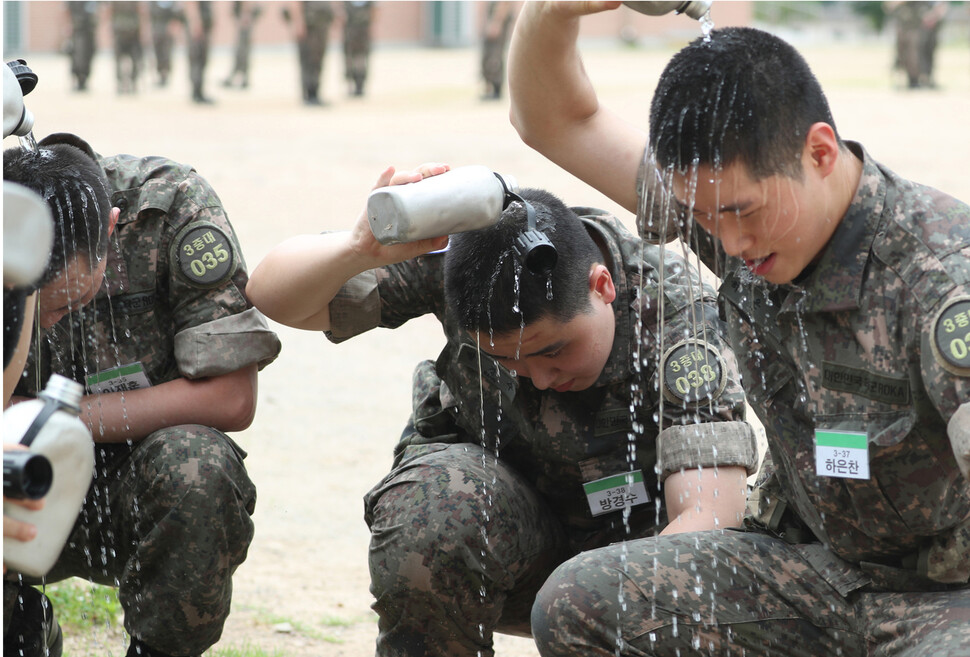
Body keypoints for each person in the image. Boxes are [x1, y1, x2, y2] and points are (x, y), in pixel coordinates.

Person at [508, 3, 970, 655]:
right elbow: (557, 120)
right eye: (701, 215)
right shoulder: (745, 222)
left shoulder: (942, 274)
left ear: (819, 152)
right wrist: (554, 9)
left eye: (740, 211)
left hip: (942, 602)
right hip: (805, 575)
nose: (728, 241)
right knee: (581, 603)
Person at [246, 163, 759, 656]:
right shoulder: (470, 267)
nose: (539, 377)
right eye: (505, 360)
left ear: (602, 287)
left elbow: (710, 515)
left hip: (640, 544)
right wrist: (358, 248)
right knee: (429, 509)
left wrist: (592, 604)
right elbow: (275, 297)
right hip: (505, 525)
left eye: (552, 350)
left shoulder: (677, 314)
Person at [2, 134, 282, 657]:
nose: (43, 322)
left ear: (110, 228)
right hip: (19, 481)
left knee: (197, 466)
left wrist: (52, 418)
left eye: (65, 305)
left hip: (135, 483)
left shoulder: (168, 207)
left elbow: (232, 397)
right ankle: (17, 623)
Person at [887, 1, 948, 89]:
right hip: (906, 25)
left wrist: (933, 15)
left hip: (921, 26)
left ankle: (923, 79)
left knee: (921, 54)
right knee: (906, 55)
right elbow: (889, 6)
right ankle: (912, 80)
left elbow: (940, 6)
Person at [284, 1, 335, 105]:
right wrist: (298, 24)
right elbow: (296, 4)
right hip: (309, 27)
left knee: (318, 60)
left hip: (321, 26)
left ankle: (315, 93)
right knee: (308, 59)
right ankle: (308, 94)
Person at [480, 1, 516, 100]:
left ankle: (496, 89)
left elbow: (505, 2)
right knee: (490, 54)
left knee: (495, 55)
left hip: (499, 16)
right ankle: (490, 88)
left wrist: (497, 22)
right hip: (495, 16)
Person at [223, 1, 262, 89]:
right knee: (242, 47)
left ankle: (242, 76)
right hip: (244, 14)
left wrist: (245, 14)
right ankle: (240, 76)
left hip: (245, 16)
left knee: (242, 49)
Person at [184, 1, 215, 103]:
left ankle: (199, 92)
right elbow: (191, 3)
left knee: (202, 60)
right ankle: (196, 92)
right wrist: (196, 23)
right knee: (197, 59)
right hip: (198, 28)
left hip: (203, 27)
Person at [111, 1, 145, 95]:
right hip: (119, 32)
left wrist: (143, 32)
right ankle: (120, 83)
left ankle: (133, 82)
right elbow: (110, 12)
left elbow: (142, 13)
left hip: (133, 33)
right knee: (118, 60)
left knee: (135, 60)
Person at [341, 0, 374, 97]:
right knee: (349, 59)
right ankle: (350, 85)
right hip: (349, 31)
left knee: (361, 58)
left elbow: (375, 10)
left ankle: (360, 86)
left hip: (363, 31)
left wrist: (372, 27)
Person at [66, 1, 99, 92]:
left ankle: (84, 80)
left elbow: (101, 8)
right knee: (77, 56)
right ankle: (77, 80)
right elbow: (66, 12)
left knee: (89, 55)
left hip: (89, 31)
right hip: (78, 31)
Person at [149, 1, 182, 87]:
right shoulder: (153, 2)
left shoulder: (171, 2)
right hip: (156, 30)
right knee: (158, 54)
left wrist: (174, 28)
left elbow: (177, 15)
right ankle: (160, 75)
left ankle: (165, 75)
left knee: (166, 54)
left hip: (167, 31)